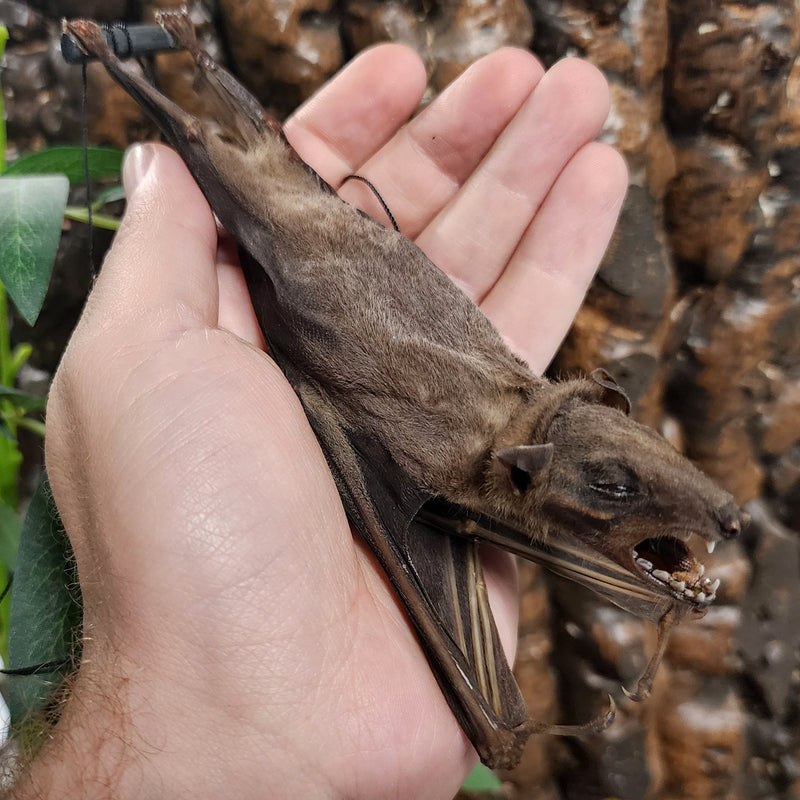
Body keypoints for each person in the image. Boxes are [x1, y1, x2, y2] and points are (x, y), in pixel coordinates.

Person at [9, 44, 626, 799]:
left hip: (375, 322)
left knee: (259, 169)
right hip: (339, 318)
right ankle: (156, 70)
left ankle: (167, 71)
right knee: (252, 169)